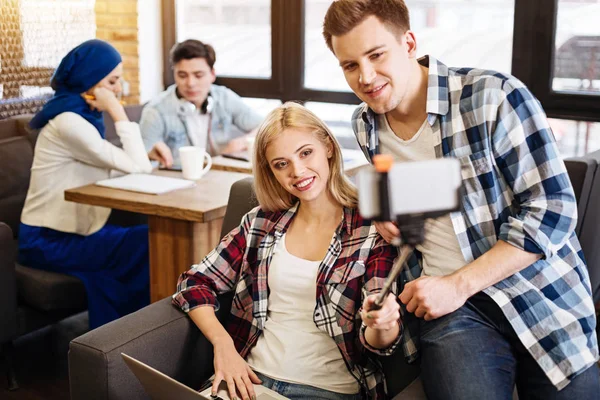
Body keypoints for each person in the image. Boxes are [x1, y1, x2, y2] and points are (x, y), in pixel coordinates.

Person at [323, 0, 600, 399]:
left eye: (376, 55)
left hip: (538, 294)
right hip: (453, 313)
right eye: (350, 65)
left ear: (409, 43)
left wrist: (459, 284)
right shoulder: (365, 125)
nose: (365, 77)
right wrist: (387, 212)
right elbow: (423, 189)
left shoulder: (492, 96)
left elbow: (553, 208)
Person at [173, 102, 402, 400]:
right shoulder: (261, 222)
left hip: (327, 390)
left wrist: (382, 323)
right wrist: (223, 345)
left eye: (306, 153)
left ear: (328, 147)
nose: (297, 171)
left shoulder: (372, 227)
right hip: (250, 381)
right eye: (281, 164)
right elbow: (194, 283)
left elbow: (377, 344)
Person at [19, 39, 152, 329]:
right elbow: (140, 167)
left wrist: (140, 157)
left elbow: (115, 168)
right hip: (46, 240)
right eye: (113, 81)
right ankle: (129, 334)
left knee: (142, 242)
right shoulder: (69, 122)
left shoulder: (80, 117)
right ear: (91, 80)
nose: (119, 88)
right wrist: (116, 110)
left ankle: (122, 337)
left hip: (77, 233)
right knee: (146, 241)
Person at [140, 39, 263, 168]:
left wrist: (243, 142)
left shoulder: (224, 98)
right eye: (182, 75)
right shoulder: (155, 111)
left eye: (198, 75)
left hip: (217, 175)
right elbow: (142, 160)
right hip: (175, 179)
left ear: (212, 74)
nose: (190, 83)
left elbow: (266, 126)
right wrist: (150, 154)